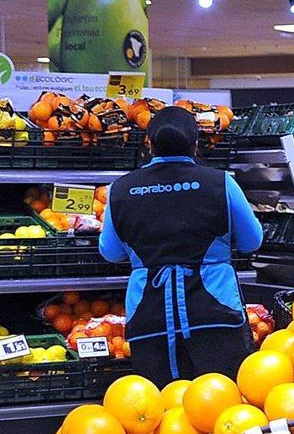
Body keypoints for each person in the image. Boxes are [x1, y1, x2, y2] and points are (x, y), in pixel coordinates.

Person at [99, 107, 263, 387]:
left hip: (149, 316)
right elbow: (251, 242)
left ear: (149, 143)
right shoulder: (221, 183)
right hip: (215, 312)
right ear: (195, 143)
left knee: (160, 403)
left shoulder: (120, 189)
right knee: (222, 398)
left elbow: (111, 252)